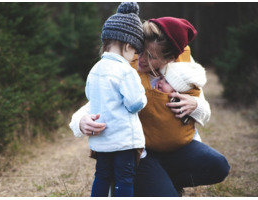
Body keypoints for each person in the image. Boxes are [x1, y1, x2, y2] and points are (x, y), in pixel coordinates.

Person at [70, 16, 230, 197]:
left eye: (151, 56)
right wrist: (81, 122)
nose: (142, 60)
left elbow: (205, 110)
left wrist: (196, 105)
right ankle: (146, 182)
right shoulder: (125, 67)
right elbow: (97, 101)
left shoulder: (184, 69)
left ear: (169, 58)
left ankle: (162, 181)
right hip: (140, 154)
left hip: (177, 149)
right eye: (141, 51)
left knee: (218, 166)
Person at [85, 2, 147, 197]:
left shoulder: (95, 69)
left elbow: (90, 96)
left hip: (101, 139)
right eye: (134, 51)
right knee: (124, 178)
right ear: (128, 46)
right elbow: (135, 103)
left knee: (102, 175)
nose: (133, 57)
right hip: (123, 139)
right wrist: (143, 97)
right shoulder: (125, 71)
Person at [142, 59, 207, 152]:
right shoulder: (149, 86)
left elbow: (205, 113)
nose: (160, 82)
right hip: (151, 144)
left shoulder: (185, 94)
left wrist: (196, 105)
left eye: (167, 82)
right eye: (161, 78)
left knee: (218, 162)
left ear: (177, 91)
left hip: (183, 142)